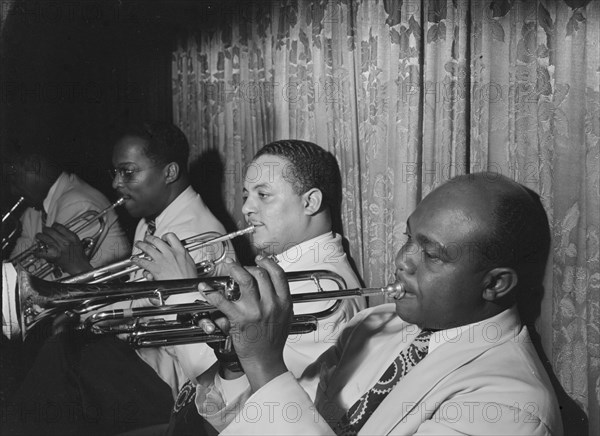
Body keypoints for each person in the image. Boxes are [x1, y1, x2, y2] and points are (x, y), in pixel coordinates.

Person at [197, 172, 563, 435]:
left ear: (495, 284)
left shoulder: (510, 405)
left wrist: (264, 363)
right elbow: (270, 416)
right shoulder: (373, 324)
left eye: (431, 254)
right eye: (409, 238)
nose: (403, 260)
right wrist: (237, 363)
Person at [5, 121, 234, 435]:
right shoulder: (152, 221)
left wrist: (81, 272)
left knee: (65, 355)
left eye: (128, 172)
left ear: (169, 173)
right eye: (115, 172)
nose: (115, 183)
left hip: (177, 381)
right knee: (62, 353)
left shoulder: (195, 236)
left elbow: (177, 337)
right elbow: (138, 304)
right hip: (147, 359)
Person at [134, 139, 366, 435]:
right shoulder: (289, 270)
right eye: (246, 195)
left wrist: (181, 292)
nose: (246, 208)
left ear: (310, 202)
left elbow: (250, 410)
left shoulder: (319, 287)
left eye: (263, 195)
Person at [4, 150, 130, 280]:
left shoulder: (78, 202)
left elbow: (55, 281)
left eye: (13, 178)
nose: (13, 190)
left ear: (33, 166)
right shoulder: (32, 213)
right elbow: (15, 270)